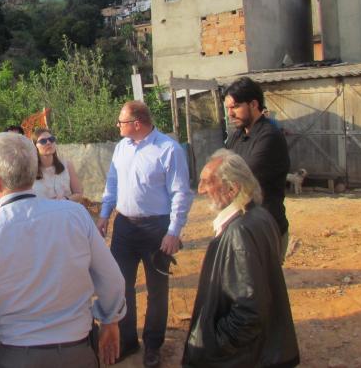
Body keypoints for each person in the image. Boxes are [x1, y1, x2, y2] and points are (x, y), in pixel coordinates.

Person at [0, 132, 127, 368]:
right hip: (78, 353)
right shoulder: (75, 215)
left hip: (16, 357)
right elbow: (112, 279)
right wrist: (110, 320)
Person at [96, 101, 193, 367]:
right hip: (125, 227)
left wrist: (173, 232)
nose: (118, 126)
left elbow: (180, 193)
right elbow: (112, 183)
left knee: (157, 291)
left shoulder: (168, 149)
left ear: (136, 123)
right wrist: (105, 215)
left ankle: (153, 346)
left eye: (121, 122)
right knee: (120, 286)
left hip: (156, 229)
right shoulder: (121, 148)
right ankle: (127, 341)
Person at [183, 149, 299, 367]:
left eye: (207, 182)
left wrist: (213, 347)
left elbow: (249, 312)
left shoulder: (239, 232)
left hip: (246, 358)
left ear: (232, 187)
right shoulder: (259, 215)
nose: (200, 190)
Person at [223, 77, 291, 259]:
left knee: (261, 287)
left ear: (253, 104)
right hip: (242, 228)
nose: (230, 113)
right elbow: (222, 172)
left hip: (265, 231)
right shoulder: (236, 136)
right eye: (228, 108)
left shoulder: (269, 137)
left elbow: (243, 178)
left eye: (235, 106)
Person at [31, 128, 84, 201]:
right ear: (34, 146)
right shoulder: (30, 170)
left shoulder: (67, 165)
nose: (48, 142)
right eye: (43, 141)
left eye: (51, 139)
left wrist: (65, 199)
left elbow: (79, 194)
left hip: (65, 210)